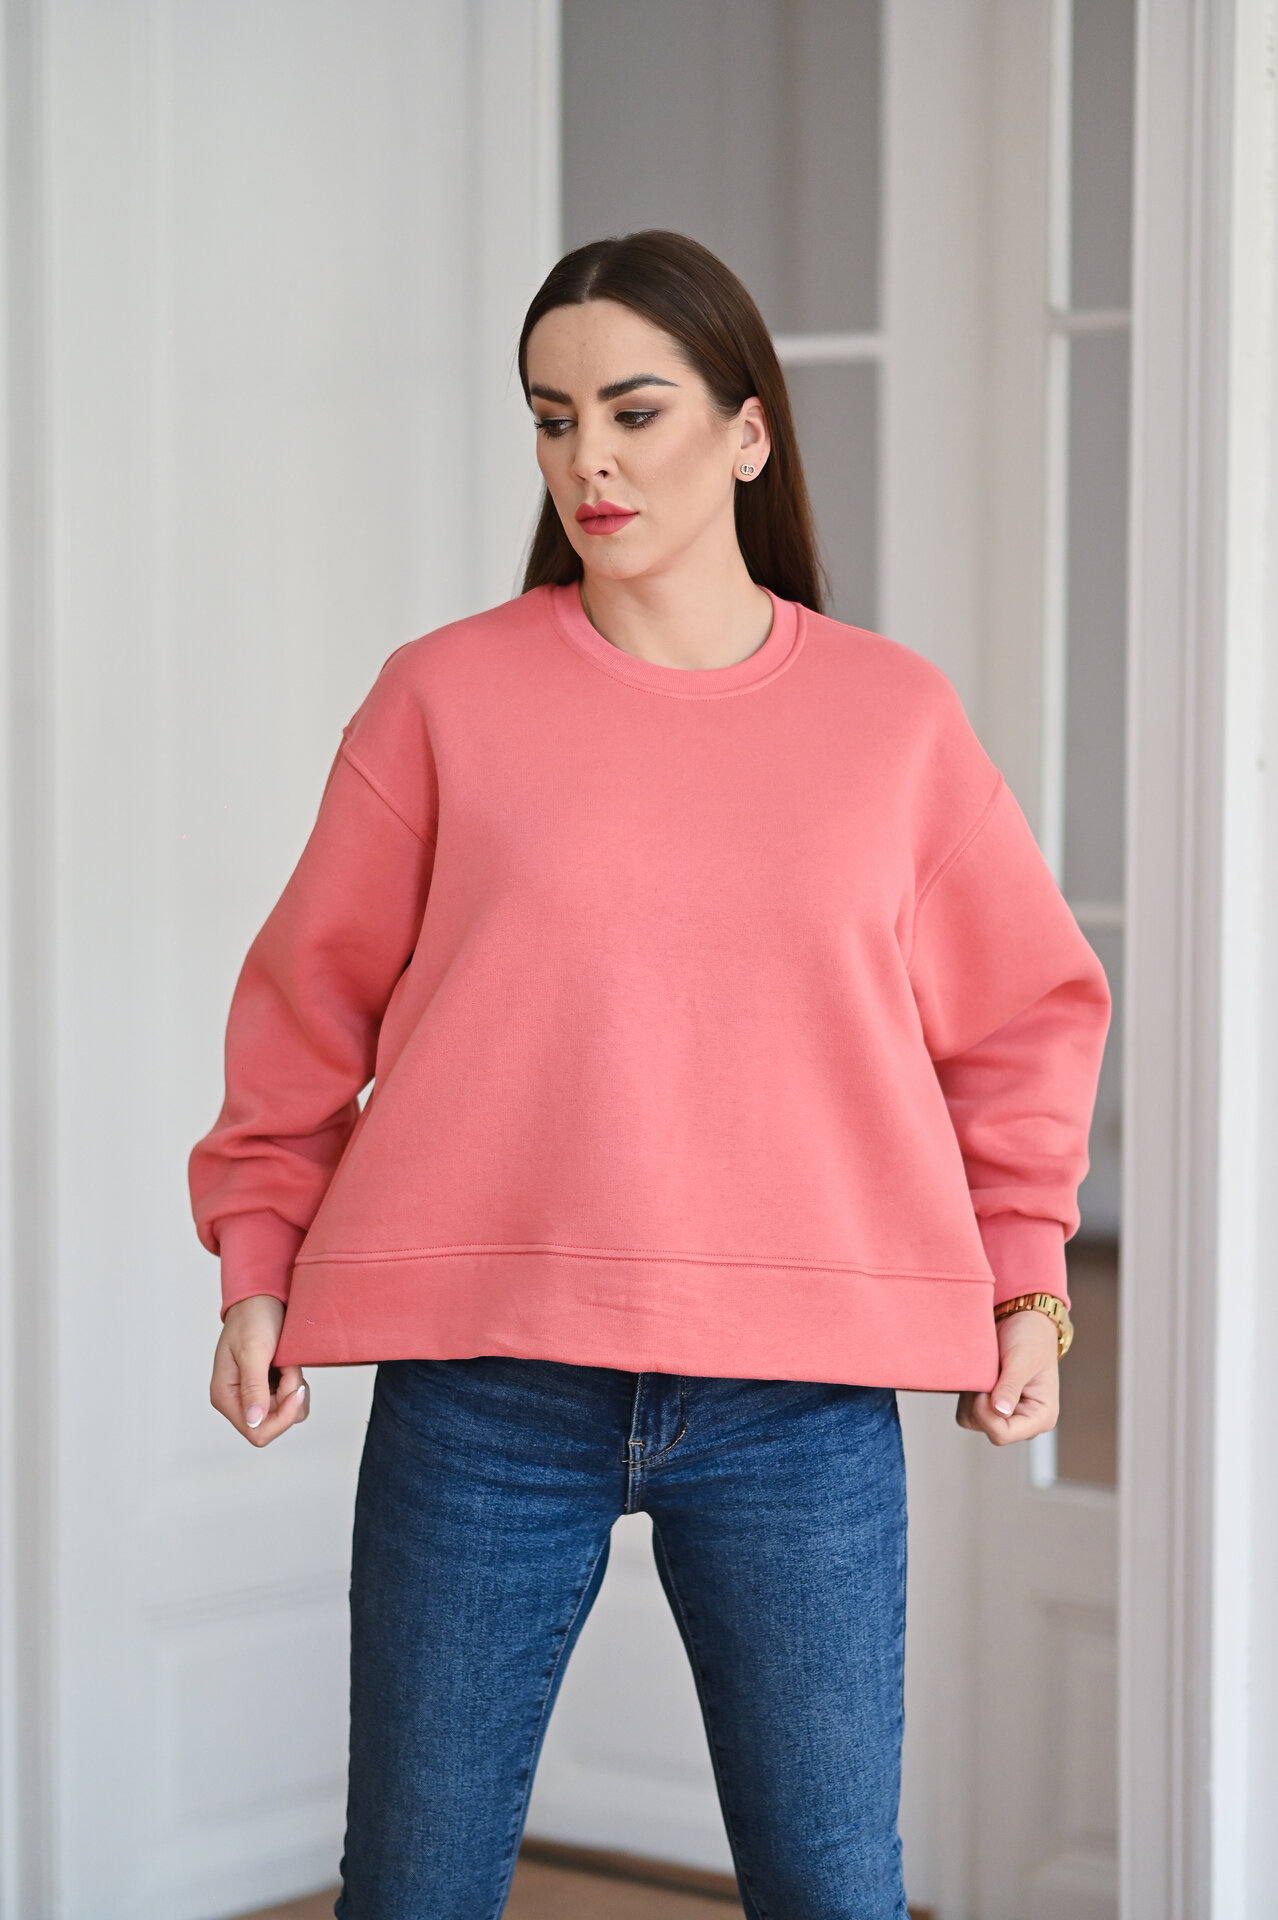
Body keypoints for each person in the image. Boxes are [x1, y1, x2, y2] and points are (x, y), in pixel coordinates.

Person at [189, 229, 1111, 1920]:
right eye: (552, 421)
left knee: (832, 1887)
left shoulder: (892, 721)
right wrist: (258, 1257)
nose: (588, 462)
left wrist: (1025, 1286)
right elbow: (306, 1001)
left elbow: (1021, 1022)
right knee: (412, 1887)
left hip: (800, 1402)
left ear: (747, 431)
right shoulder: (443, 698)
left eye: (632, 412)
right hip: (485, 1384)